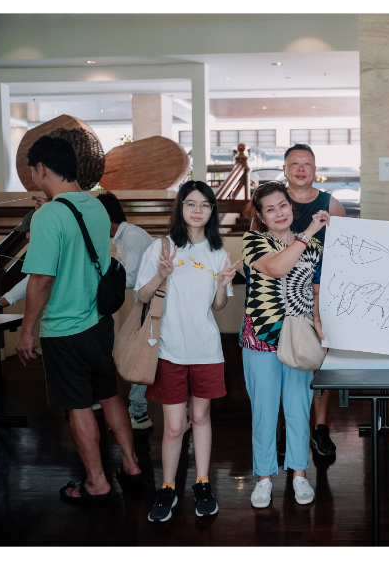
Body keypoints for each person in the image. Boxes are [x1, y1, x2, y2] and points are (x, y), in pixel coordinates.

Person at [15, 135, 142, 502]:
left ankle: (97, 483)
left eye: (33, 171)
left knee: (78, 406)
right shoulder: (96, 206)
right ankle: (132, 465)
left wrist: (27, 330)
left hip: (64, 328)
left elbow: (41, 279)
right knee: (110, 394)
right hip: (100, 322)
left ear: (41, 168)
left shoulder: (48, 215)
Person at [134, 180, 238, 522]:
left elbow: (218, 306)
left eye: (205, 204)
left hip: (206, 350)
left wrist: (222, 285)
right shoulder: (162, 246)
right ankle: (167, 487)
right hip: (169, 350)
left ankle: (202, 483)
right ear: (180, 207)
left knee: (202, 417)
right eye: (191, 203)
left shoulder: (218, 253)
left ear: (212, 211)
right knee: (175, 426)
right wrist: (161, 274)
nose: (197, 209)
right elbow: (142, 296)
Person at [241, 181, 327, 509]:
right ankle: (263, 478)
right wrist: (308, 233)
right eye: (270, 209)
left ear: (291, 207)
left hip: (300, 338)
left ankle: (299, 474)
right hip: (261, 337)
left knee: (298, 407)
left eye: (283, 205)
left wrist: (318, 322)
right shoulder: (253, 241)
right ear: (261, 217)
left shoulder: (314, 247)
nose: (279, 213)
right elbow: (277, 268)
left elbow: (317, 290)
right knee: (264, 411)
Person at [282, 143, 346, 457]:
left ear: (315, 169)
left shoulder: (330, 204)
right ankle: (289, 427)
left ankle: (320, 426)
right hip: (281, 294)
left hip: (322, 294)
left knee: (320, 361)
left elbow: (346, 249)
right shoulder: (273, 201)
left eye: (307, 163)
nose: (301, 169)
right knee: (285, 359)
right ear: (284, 169)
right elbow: (257, 245)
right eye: (294, 163)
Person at [96, 191, 155, 430]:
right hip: (148, 307)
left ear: (106, 216)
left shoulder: (133, 237)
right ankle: (140, 413)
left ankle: (139, 414)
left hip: (156, 308)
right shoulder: (123, 238)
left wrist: (100, 284)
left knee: (142, 358)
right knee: (143, 358)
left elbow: (130, 279)